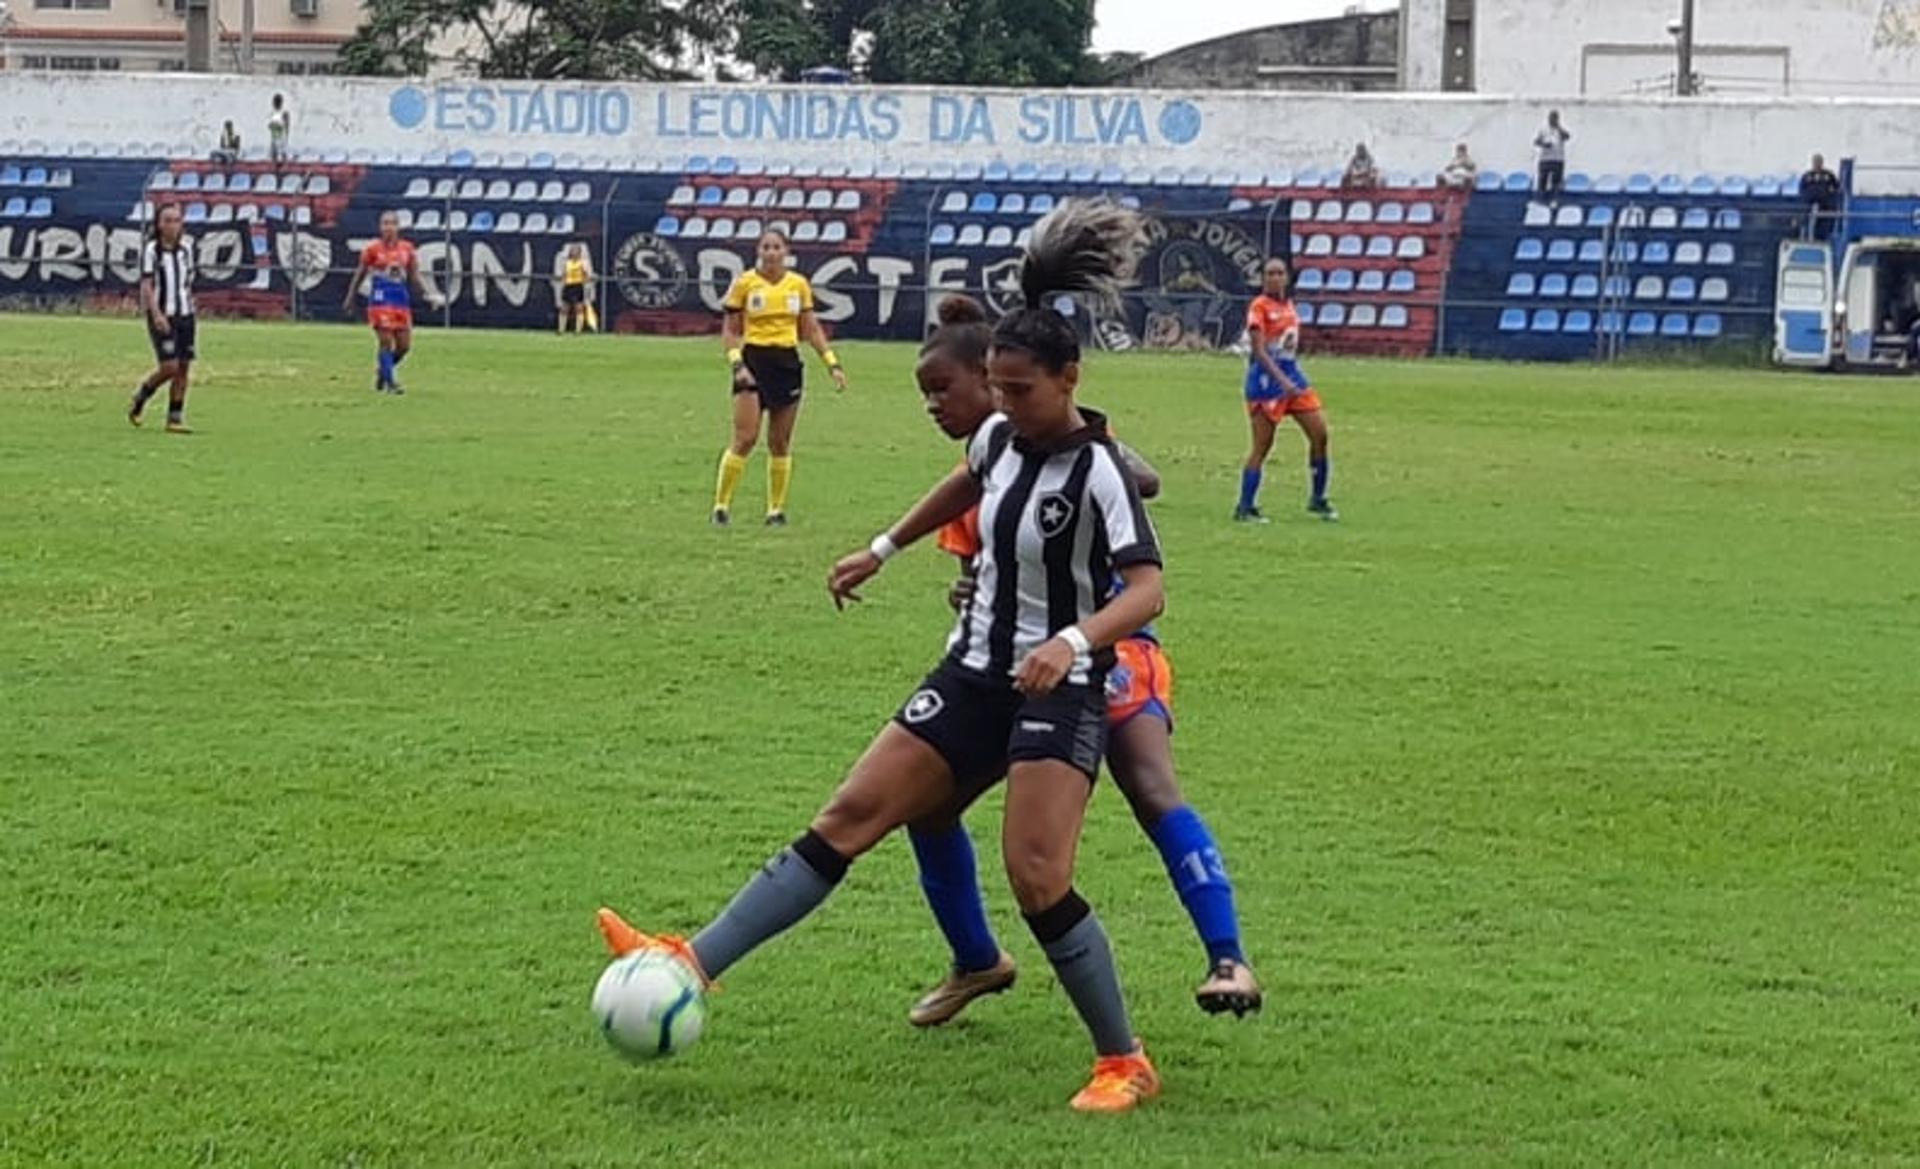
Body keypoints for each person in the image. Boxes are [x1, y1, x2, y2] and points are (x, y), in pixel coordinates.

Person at [599, 201, 1169, 1112]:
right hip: (975, 674)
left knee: (1037, 874)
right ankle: (690, 960)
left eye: (1023, 392)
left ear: (1069, 379)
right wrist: (883, 547)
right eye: (999, 389)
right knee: (851, 813)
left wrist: (1071, 642)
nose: (1007, 409)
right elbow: (966, 476)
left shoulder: (1099, 471)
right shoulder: (999, 438)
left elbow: (1146, 590)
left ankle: (1123, 1059)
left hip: (1059, 689)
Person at [902, 295, 1262, 1026]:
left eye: (950, 391)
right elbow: (985, 583)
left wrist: (1093, 444)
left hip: (1107, 648)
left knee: (1151, 785)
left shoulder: (1063, 447)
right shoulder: (988, 472)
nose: (939, 407)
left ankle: (1229, 958)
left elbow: (1144, 483)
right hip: (1015, 669)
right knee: (928, 806)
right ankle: (975, 958)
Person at [711, 229, 847, 528]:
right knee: (745, 437)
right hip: (754, 361)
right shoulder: (745, 283)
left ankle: (775, 511)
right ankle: (721, 506)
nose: (771, 252)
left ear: (786, 251)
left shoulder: (798, 285)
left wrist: (832, 363)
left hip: (786, 363)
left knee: (780, 442)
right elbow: (731, 331)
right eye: (766, 247)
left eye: (776, 247)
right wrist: (737, 365)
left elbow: (810, 329)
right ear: (758, 251)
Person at [1237, 257, 1334, 523]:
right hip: (1267, 383)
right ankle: (1245, 507)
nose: (1275, 278)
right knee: (1262, 446)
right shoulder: (1259, 307)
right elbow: (1259, 351)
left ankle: (1318, 498)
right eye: (1270, 273)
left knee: (1320, 433)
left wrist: (1291, 380)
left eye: (1279, 273)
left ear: (1287, 277)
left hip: (1292, 375)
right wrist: (1281, 381)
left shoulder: (1288, 305)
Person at [341, 211, 442, 395]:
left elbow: (414, 276)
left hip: (400, 301)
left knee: (404, 346)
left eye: (392, 223)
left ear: (398, 227)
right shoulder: (372, 250)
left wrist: (427, 295)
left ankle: (383, 371)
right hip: (380, 300)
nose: (388, 227)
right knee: (386, 342)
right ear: (380, 227)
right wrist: (350, 297)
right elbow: (360, 274)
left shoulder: (407, 249)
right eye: (384, 223)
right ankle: (391, 383)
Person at [129, 202, 197, 434]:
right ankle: (142, 396)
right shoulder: (152, 251)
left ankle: (175, 418)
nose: (172, 225)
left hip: (185, 314)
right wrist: (156, 313)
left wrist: (190, 306)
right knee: (169, 366)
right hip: (162, 314)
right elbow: (147, 285)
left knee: (184, 367)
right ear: (158, 224)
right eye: (167, 220)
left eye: (176, 220)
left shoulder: (187, 249)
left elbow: (187, 281)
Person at [557, 242, 596, 335]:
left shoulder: (583, 262)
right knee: (564, 308)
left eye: (576, 250)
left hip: (578, 285)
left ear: (579, 252)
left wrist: (586, 280)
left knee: (578, 308)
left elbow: (586, 274)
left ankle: (578, 331)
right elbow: (563, 274)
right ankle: (561, 330)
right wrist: (562, 279)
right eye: (572, 250)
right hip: (568, 285)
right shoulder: (567, 262)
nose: (574, 252)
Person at [1801, 153, 1841, 241]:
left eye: (1819, 162)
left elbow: (1836, 187)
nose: (1817, 164)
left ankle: (1823, 238)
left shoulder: (1828, 175)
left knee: (1825, 224)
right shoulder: (1807, 176)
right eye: (1815, 162)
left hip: (1825, 206)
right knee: (1810, 224)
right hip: (1811, 206)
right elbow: (1802, 190)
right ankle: (1809, 238)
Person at [1534, 111, 1570, 198]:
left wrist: (1558, 128)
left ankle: (1555, 200)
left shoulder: (1561, 130)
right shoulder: (1542, 129)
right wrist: (1543, 144)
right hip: (1545, 159)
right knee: (1542, 181)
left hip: (1558, 159)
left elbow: (1567, 137)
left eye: (1554, 118)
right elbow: (1536, 141)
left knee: (1556, 183)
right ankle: (1541, 199)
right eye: (1550, 118)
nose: (1552, 120)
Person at [267, 94, 291, 167]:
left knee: (283, 153)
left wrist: (286, 135)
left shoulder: (284, 113)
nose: (274, 104)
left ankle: (284, 166)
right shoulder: (273, 113)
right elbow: (270, 125)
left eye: (275, 102)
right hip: (274, 136)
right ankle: (274, 167)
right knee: (274, 154)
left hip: (281, 137)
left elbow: (286, 125)